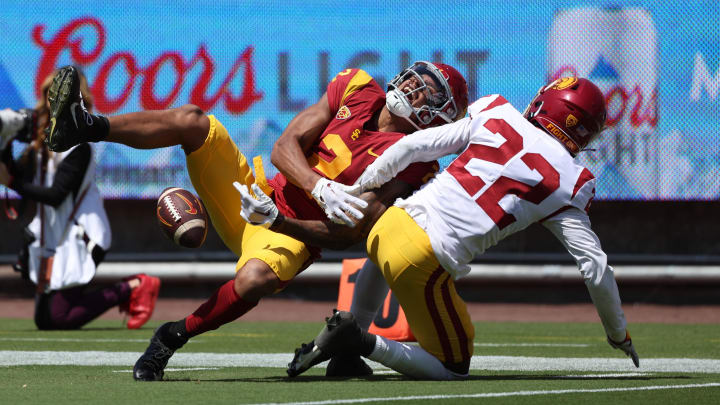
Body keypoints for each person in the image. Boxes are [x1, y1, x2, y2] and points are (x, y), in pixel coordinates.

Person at [42, 62, 469, 380]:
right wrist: (317, 187)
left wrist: (279, 221)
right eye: (416, 79)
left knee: (253, 282)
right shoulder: (357, 87)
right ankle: (88, 125)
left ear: (440, 117)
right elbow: (286, 145)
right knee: (194, 121)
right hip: (252, 188)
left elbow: (348, 235)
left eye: (427, 93)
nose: (413, 88)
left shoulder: (417, 165)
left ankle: (169, 338)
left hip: (289, 233)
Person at [238, 77, 640, 380]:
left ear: (543, 102)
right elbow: (594, 268)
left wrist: (360, 187)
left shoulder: (496, 113)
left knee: (383, 258)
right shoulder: (572, 181)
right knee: (454, 366)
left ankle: (347, 339)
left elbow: (412, 147)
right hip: (425, 256)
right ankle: (358, 341)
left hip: (390, 222)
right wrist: (617, 332)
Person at [0, 68, 160, 330]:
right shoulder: (40, 145)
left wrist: (12, 182)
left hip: (84, 236)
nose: (49, 104)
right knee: (45, 319)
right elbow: (17, 173)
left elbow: (55, 195)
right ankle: (130, 288)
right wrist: (5, 143)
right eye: (48, 97)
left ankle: (133, 287)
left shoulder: (79, 147)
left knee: (59, 318)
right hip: (57, 238)